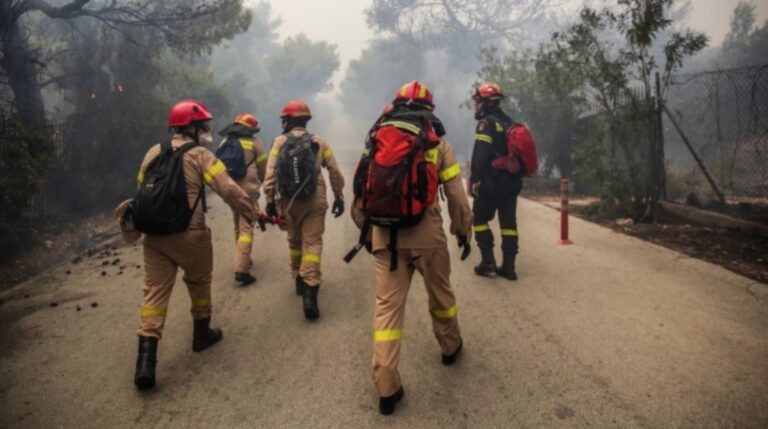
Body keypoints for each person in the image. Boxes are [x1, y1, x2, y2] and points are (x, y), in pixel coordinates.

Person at [350, 81, 473, 415]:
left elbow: (361, 188)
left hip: (383, 237)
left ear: (397, 103)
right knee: (441, 295)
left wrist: (366, 227)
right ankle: (450, 347)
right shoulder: (436, 142)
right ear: (429, 111)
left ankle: (387, 386)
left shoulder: (377, 136)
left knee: (387, 309)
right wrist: (463, 230)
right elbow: (458, 197)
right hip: (427, 234)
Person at [116, 99, 257, 391]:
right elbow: (228, 188)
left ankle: (145, 362)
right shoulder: (201, 155)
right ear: (191, 128)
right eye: (203, 125)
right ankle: (201, 335)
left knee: (154, 294)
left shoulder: (154, 152)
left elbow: (142, 187)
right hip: (189, 234)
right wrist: (253, 211)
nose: (206, 130)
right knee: (199, 282)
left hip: (154, 236)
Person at [262, 99, 345, 320]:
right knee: (313, 243)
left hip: (288, 200)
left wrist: (269, 200)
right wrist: (339, 196)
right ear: (306, 120)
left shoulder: (279, 142)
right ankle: (310, 291)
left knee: (294, 240)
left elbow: (270, 175)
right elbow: (335, 171)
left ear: (287, 121)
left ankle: (298, 278)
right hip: (315, 199)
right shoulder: (319, 142)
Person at [469, 82, 527, 280]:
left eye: (478, 101)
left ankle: (488, 262)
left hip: (492, 182)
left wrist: (474, 180)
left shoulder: (487, 123)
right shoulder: (510, 123)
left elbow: (481, 156)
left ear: (487, 103)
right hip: (512, 183)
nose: (476, 105)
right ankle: (509, 267)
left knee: (479, 219)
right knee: (509, 223)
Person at [216, 112, 267, 286]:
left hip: (230, 190)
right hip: (248, 190)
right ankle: (242, 269)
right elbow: (263, 168)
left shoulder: (225, 142)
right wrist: (263, 183)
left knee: (238, 223)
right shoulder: (255, 143)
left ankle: (243, 257)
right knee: (246, 227)